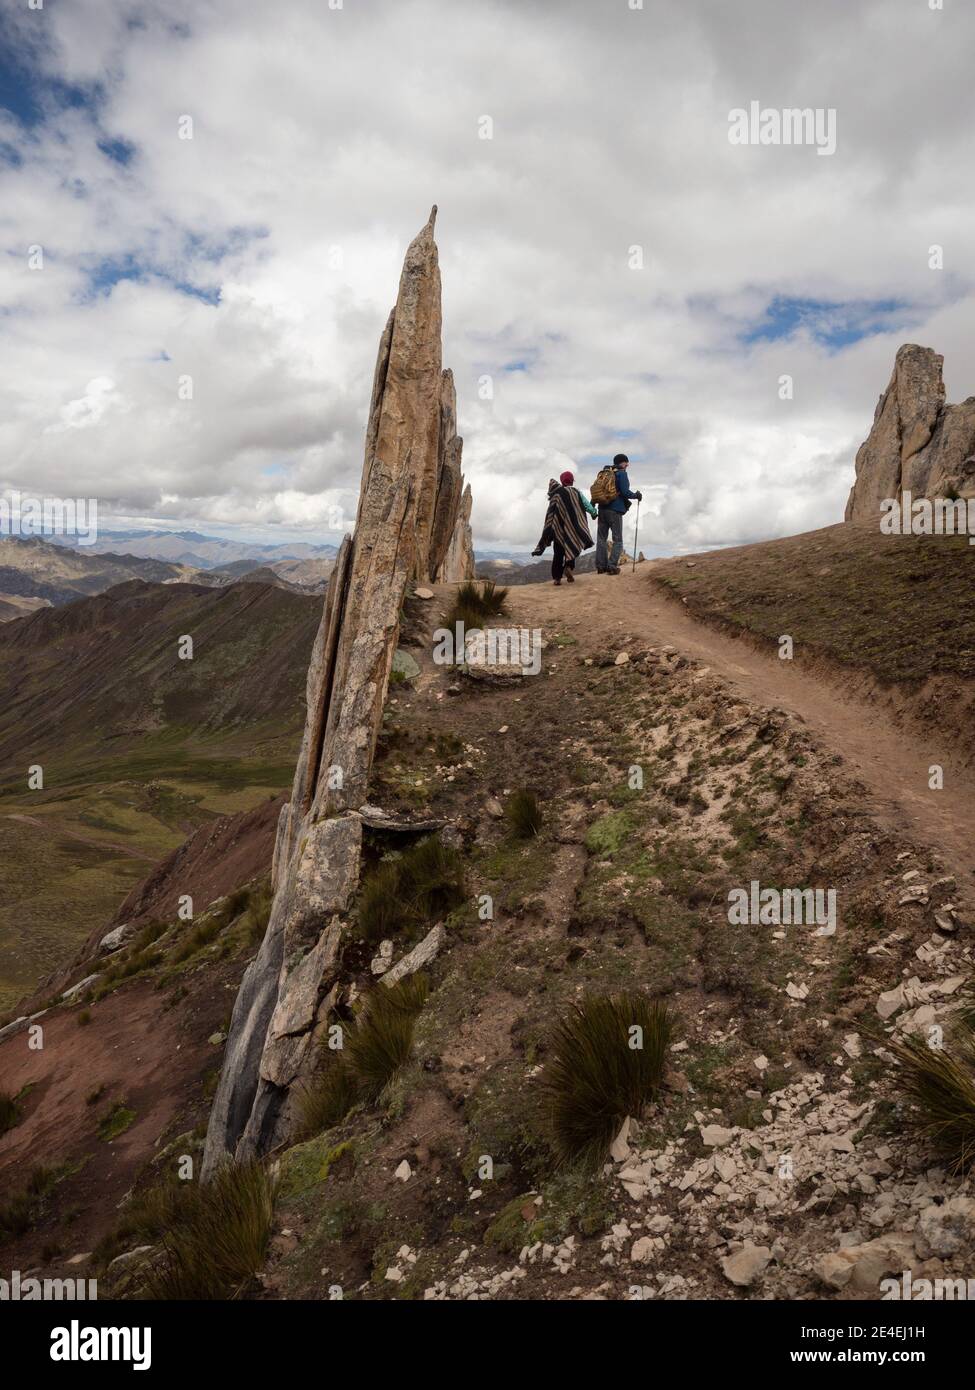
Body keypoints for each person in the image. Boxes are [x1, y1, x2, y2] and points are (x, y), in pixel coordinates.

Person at [531, 470, 595, 584]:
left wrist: (549, 529)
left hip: (558, 529)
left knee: (558, 553)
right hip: (573, 528)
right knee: (572, 545)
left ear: (562, 481)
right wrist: (594, 512)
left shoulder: (556, 494)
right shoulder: (576, 492)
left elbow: (551, 512)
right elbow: (586, 505)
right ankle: (569, 567)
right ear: (572, 481)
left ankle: (557, 578)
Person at [595, 453, 642, 575]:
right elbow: (625, 492)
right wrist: (636, 495)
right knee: (618, 540)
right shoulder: (622, 474)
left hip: (602, 509)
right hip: (615, 511)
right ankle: (611, 566)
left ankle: (601, 566)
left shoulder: (605, 473)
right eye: (626, 462)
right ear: (621, 463)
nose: (627, 464)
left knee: (601, 538)